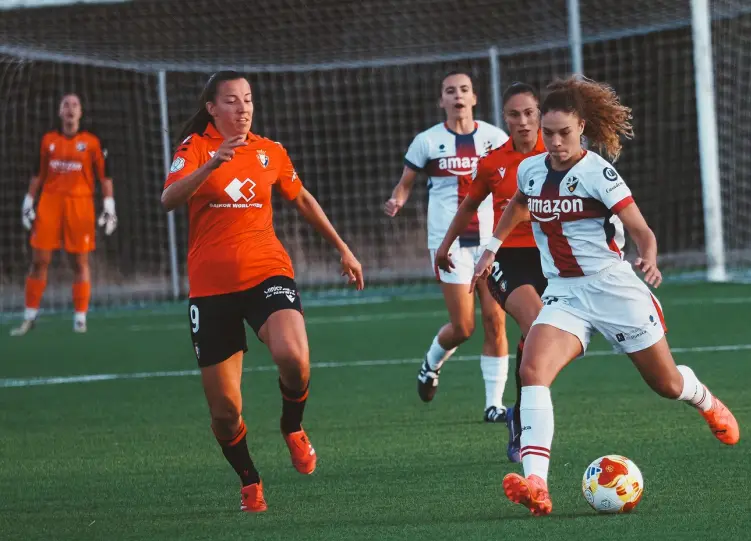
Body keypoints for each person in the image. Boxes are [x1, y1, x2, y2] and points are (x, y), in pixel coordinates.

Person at [471, 76, 741, 516]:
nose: (554, 142)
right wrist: (491, 248)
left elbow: (641, 230)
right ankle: (536, 482)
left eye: (564, 133)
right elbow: (519, 204)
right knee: (532, 368)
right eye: (548, 133)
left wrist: (648, 258)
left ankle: (705, 400)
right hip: (564, 292)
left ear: (581, 128)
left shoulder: (598, 173)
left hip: (614, 289)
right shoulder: (531, 169)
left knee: (665, 383)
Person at [161, 71, 364, 513]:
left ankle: (292, 426)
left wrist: (343, 248)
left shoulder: (270, 152)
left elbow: (303, 198)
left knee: (294, 356)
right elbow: (169, 199)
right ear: (213, 108)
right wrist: (213, 163)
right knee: (225, 412)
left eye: (248, 99)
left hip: (266, 271)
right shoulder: (194, 148)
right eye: (232, 101)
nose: (243, 108)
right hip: (211, 289)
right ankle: (249, 480)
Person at [384, 70, 512, 422]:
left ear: (474, 98)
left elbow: (511, 178)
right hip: (448, 243)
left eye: (465, 89)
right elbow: (405, 184)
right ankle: (431, 363)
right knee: (464, 327)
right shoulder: (426, 141)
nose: (458, 95)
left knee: (494, 320)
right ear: (441, 100)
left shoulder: (494, 137)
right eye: (450, 91)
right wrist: (397, 200)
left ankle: (493, 405)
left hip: (489, 241)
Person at [435, 82, 546, 462]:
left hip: (554, 260)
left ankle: (517, 411)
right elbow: (468, 208)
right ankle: (528, 422)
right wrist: (444, 245)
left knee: (541, 340)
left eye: (530, 113)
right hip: (506, 259)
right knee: (535, 325)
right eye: (514, 114)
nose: (523, 121)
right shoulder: (493, 162)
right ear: (505, 118)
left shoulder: (560, 154)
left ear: (541, 115)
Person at [11, 93, 117, 336]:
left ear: (81, 112)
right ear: (59, 111)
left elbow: (105, 176)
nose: (70, 109)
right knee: (39, 261)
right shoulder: (47, 140)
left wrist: (109, 206)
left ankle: (80, 319)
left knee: (80, 263)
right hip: (50, 203)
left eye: (75, 105)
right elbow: (37, 173)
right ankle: (29, 317)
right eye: (66, 104)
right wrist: (28, 201)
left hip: (80, 206)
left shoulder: (92, 141)